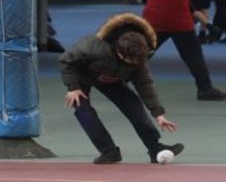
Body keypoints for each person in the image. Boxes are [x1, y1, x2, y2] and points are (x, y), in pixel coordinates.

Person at [59, 13, 184, 164]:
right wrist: (73, 87)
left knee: (134, 106)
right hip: (81, 77)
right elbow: (66, 61)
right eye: (129, 60)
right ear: (118, 51)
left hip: (111, 78)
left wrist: (159, 114)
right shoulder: (93, 46)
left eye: (136, 60)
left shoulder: (138, 56)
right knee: (83, 112)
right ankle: (109, 151)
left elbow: (145, 85)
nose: (134, 63)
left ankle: (154, 147)